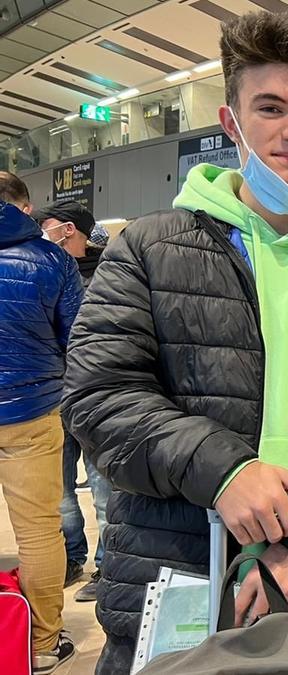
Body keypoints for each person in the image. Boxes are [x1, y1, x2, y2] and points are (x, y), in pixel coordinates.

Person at [61, 12, 288, 673]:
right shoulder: (148, 248)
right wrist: (225, 471)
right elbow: (100, 396)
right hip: (176, 574)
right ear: (231, 123)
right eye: (271, 107)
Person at [0, 171, 82, 673]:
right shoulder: (51, 259)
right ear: (23, 208)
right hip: (32, 411)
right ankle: (42, 645)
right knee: (37, 532)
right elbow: (79, 338)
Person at [33, 199, 113, 602]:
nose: (37, 232)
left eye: (44, 225)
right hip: (51, 398)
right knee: (60, 489)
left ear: (68, 229)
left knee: (104, 488)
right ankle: (71, 556)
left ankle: (107, 565)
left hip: (97, 396)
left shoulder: (110, 272)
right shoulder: (39, 270)